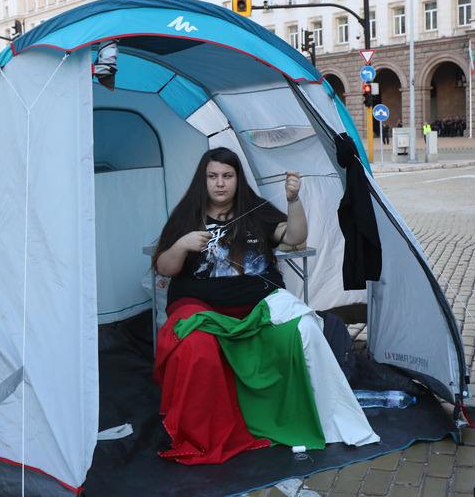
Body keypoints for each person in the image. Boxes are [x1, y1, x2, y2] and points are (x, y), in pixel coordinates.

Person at [151, 147, 378, 465]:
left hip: (260, 306)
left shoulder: (255, 209)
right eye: (213, 176)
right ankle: (205, 435)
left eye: (227, 176)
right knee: (194, 347)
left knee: (306, 328)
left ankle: (323, 419)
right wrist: (181, 245)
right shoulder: (186, 214)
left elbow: (295, 236)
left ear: (237, 179)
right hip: (200, 308)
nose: (220, 184)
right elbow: (164, 267)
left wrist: (293, 200)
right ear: (203, 181)